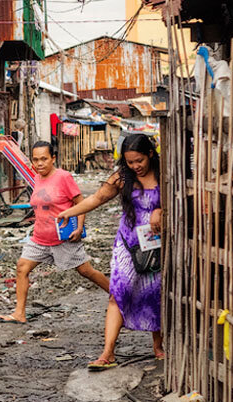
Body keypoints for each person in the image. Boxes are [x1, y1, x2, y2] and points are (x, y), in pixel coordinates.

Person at [57, 133, 163, 369]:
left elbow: (183, 200)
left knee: (155, 294)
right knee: (118, 293)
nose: (135, 166)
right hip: (127, 245)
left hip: (157, 245)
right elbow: (96, 198)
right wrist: (69, 213)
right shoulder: (122, 178)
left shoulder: (166, 174)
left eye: (139, 161)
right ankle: (107, 353)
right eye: (130, 162)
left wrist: (162, 211)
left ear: (150, 155)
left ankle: (158, 346)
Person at [0, 141, 109, 324]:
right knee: (22, 268)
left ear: (53, 158)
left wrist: (79, 227)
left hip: (63, 238)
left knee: (86, 271)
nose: (39, 163)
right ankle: (19, 313)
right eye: (36, 160)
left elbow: (81, 203)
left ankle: (119, 297)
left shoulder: (63, 177)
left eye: (44, 159)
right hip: (40, 238)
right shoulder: (36, 178)